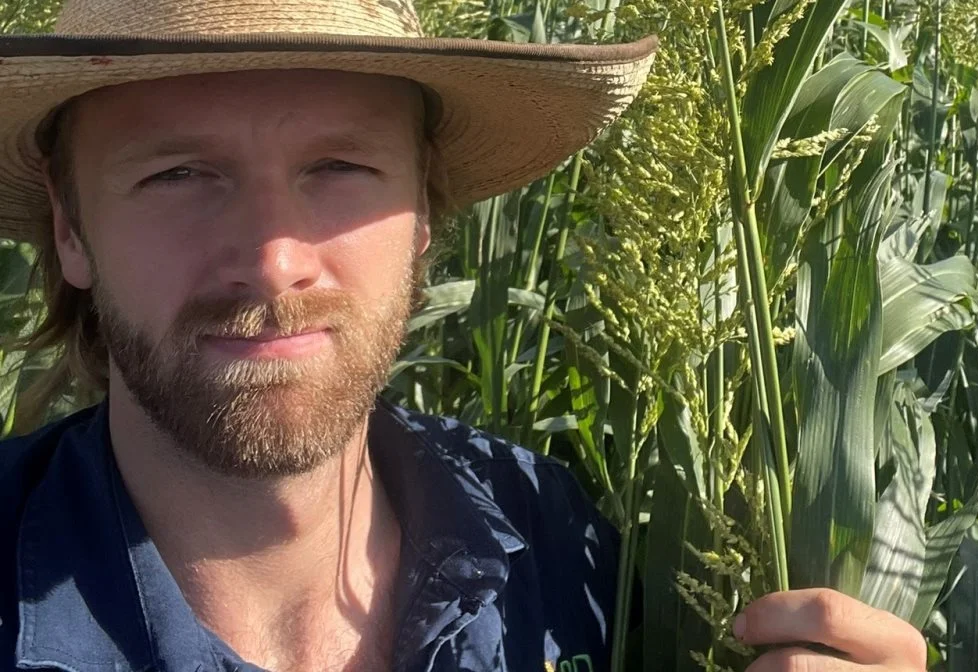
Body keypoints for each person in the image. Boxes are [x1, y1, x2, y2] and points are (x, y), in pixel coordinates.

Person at [0, 0, 928, 670]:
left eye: (339, 165)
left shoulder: (571, 553)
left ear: (425, 216)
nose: (274, 258)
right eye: (177, 174)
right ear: (72, 228)